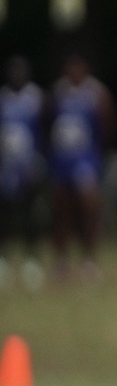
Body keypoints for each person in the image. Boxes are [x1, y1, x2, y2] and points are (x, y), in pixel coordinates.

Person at [46, 53, 116, 284]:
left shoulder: (97, 94)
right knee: (61, 209)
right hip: (62, 159)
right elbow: (48, 122)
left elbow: (107, 126)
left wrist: (97, 156)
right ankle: (61, 261)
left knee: (89, 207)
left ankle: (89, 260)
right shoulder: (58, 92)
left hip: (85, 159)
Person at [0, 56, 46, 290]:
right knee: (5, 214)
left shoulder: (35, 98)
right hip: (6, 166)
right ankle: (4, 260)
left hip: (29, 165)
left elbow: (45, 129)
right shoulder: (3, 99)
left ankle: (32, 260)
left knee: (31, 213)